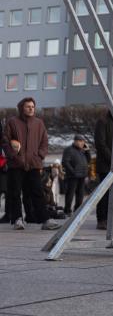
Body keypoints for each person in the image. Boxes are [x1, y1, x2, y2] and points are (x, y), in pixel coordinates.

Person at [2, 97, 61, 230]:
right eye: (28, 106)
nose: (31, 108)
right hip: (16, 164)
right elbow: (5, 141)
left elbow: (44, 142)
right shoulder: (12, 122)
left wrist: (39, 156)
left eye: (33, 106)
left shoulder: (39, 123)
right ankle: (17, 219)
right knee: (15, 192)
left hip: (34, 164)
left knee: (37, 191)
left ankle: (45, 220)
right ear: (22, 108)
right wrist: (12, 155)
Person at [61, 135, 91, 215]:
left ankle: (77, 209)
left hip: (82, 174)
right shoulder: (69, 150)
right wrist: (72, 171)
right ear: (75, 141)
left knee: (80, 194)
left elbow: (88, 161)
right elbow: (65, 162)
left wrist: (87, 151)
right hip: (72, 175)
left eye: (83, 141)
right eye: (80, 141)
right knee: (70, 193)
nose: (82, 143)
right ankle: (67, 210)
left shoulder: (83, 150)